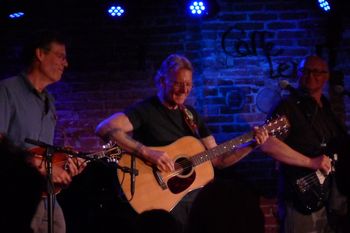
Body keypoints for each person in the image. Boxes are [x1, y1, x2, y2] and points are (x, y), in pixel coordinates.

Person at [94, 54, 272, 232]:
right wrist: (146, 152)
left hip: (191, 202)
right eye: (178, 83)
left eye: (188, 84)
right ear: (162, 80)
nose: (184, 90)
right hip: (160, 201)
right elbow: (104, 128)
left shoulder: (191, 116)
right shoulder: (147, 110)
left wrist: (251, 144)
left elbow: (218, 160)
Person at [0, 30, 86, 233]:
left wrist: (65, 161)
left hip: (45, 194)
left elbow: (43, 151)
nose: (65, 64)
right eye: (60, 56)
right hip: (13, 194)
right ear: (40, 54)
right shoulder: (6, 90)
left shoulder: (50, 101)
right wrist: (36, 163)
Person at [260, 55, 349, 233]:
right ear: (299, 74)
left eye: (316, 72)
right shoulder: (288, 106)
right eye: (305, 71)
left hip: (328, 197)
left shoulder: (327, 108)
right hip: (299, 197)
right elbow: (267, 143)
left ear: (326, 76)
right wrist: (310, 162)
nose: (310, 76)